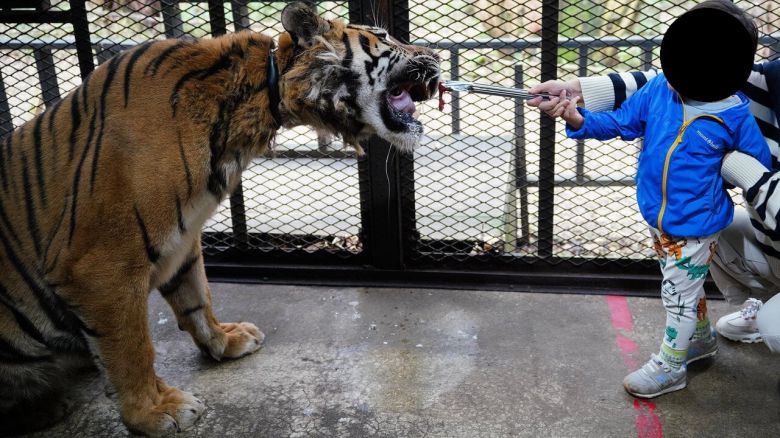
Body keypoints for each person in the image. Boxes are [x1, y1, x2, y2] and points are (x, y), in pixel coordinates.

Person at [535, 0, 772, 398]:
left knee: (676, 293)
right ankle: (699, 340)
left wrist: (728, 168)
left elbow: (757, 167)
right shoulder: (661, 88)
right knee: (684, 287)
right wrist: (578, 119)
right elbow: (622, 122)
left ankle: (671, 366)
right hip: (660, 216)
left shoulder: (733, 116)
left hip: (696, 226)